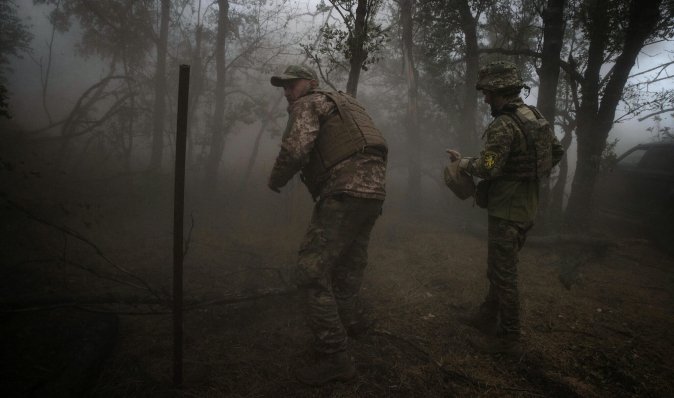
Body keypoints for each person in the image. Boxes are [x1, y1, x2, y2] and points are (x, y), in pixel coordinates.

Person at [267, 65, 388, 385]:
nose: (286, 92)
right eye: (283, 87)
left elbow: (295, 151)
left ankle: (335, 357)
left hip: (344, 191)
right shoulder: (344, 103)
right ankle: (353, 324)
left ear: (310, 83)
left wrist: (275, 180)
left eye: (291, 85)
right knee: (348, 266)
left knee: (310, 272)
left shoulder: (309, 103)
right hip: (373, 192)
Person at [445, 61, 564, 356]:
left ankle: (510, 339)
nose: (485, 98)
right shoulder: (533, 116)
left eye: (487, 92)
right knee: (499, 269)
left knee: (504, 275)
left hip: (506, 211)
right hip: (526, 208)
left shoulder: (504, 124)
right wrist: (528, 175)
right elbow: (557, 151)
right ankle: (487, 316)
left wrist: (462, 164)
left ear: (500, 90)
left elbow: (489, 166)